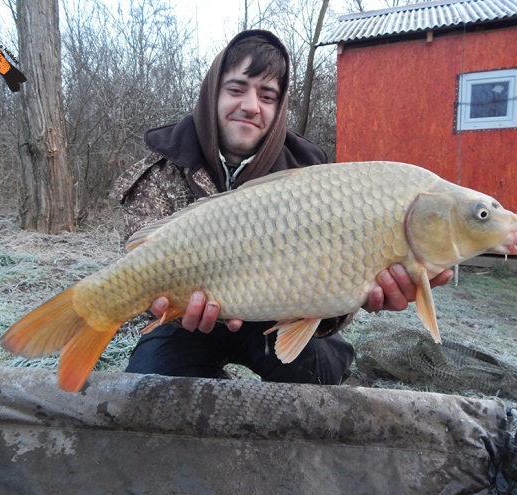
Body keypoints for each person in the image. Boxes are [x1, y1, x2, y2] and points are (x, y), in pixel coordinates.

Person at [110, 30, 452, 384]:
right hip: (190, 324)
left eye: (267, 95)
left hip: (278, 319)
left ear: (278, 107)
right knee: (151, 378)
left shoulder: (310, 174)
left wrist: (361, 297)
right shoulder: (162, 166)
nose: (251, 105)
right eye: (236, 89)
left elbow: (335, 282)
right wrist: (174, 309)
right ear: (212, 94)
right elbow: (141, 269)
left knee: (323, 371)